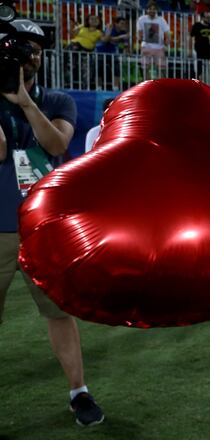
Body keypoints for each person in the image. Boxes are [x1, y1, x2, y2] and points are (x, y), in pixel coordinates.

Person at [0, 19, 105, 427]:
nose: (32, 57)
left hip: (43, 227)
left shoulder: (57, 100)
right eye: (23, 49)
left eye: (38, 51)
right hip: (1, 227)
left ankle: (79, 392)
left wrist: (26, 102)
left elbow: (57, 144)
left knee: (59, 312)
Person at [136, 1, 171, 79]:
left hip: (159, 48)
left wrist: (167, 41)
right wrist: (139, 39)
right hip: (146, 47)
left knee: (161, 69)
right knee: (145, 69)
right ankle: (146, 86)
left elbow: (167, 32)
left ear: (156, 10)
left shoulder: (161, 20)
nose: (152, 10)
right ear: (147, 10)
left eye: (154, 9)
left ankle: (160, 87)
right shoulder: (141, 19)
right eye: (150, 9)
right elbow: (139, 32)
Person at [95, 16, 130, 91]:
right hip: (101, 51)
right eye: (121, 23)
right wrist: (121, 37)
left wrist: (126, 49)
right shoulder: (110, 28)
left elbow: (126, 45)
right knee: (99, 70)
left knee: (116, 69)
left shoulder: (124, 33)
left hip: (112, 53)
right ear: (116, 24)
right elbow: (107, 40)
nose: (123, 25)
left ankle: (116, 88)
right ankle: (98, 87)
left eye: (124, 24)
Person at [190, 10, 210, 85]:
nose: (209, 19)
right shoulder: (197, 25)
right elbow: (191, 37)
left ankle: (208, 85)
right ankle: (197, 86)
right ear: (202, 17)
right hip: (199, 50)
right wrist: (189, 50)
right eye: (207, 17)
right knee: (198, 71)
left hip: (209, 51)